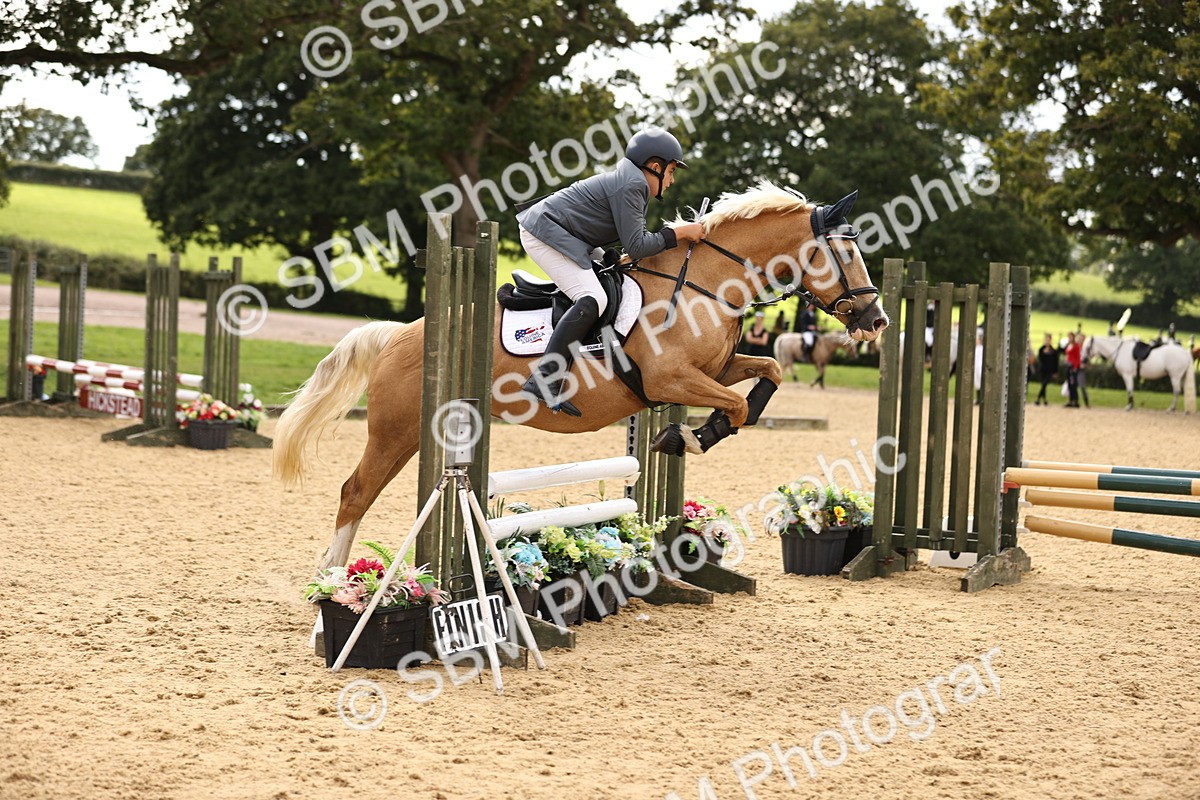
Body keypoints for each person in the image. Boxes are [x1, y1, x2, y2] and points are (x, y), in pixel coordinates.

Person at [515, 128, 704, 416]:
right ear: (656, 166)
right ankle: (544, 379)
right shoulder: (631, 185)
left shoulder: (631, 180)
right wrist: (678, 233)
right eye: (671, 171)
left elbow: (629, 241)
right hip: (544, 232)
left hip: (568, 234)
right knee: (593, 298)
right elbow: (639, 245)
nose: (672, 179)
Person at [1034, 333, 1059, 406]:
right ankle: (1044, 400)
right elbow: (1040, 360)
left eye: (1049, 340)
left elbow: (1055, 362)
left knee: (1044, 384)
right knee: (1043, 385)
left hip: (1050, 371)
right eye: (1046, 339)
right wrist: (1045, 352)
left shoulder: (1053, 351)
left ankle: (1038, 398)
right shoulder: (1041, 350)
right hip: (1043, 370)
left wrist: (1055, 372)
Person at [1063, 331, 1082, 408]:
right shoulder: (1068, 345)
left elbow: (1078, 357)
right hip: (1068, 366)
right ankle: (1070, 400)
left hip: (1073, 367)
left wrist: (1075, 367)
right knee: (1070, 384)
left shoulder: (1076, 346)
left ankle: (1075, 400)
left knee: (1073, 384)